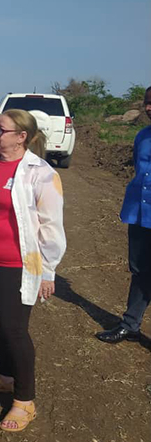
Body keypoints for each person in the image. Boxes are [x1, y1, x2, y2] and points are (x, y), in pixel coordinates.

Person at [0, 109, 66, 432]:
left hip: (18, 264)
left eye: (1, 129)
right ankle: (5, 376)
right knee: (4, 320)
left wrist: (48, 271)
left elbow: (52, 227)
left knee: (15, 329)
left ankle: (25, 399)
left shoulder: (40, 172)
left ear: (22, 136)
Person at [97, 86, 151, 344]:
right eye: (147, 103)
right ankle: (130, 324)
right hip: (140, 214)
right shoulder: (142, 136)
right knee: (140, 271)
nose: (148, 108)